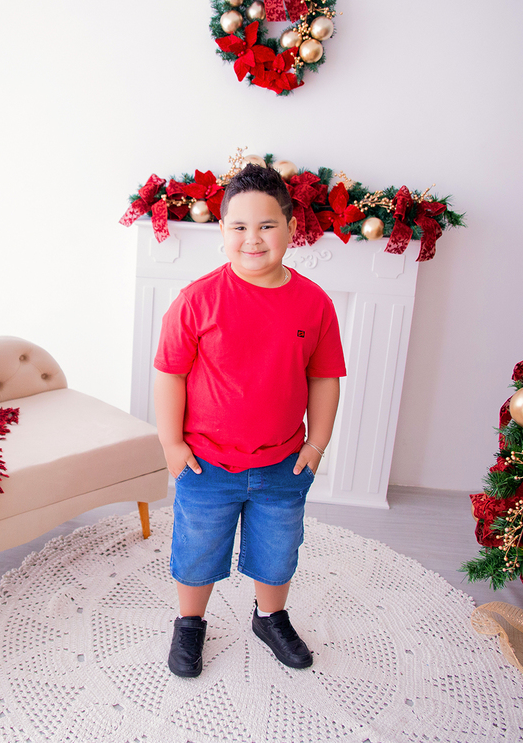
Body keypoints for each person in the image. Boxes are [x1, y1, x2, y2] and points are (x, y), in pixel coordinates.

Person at [153, 163, 345, 678]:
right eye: (239, 227)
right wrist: (172, 443)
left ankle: (269, 616)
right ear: (222, 233)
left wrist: (317, 442)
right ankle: (190, 623)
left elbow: (325, 378)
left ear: (290, 228)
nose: (252, 239)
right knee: (196, 550)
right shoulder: (197, 300)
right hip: (206, 464)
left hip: (284, 461)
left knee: (278, 550)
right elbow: (169, 374)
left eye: (266, 225)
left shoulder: (314, 302)